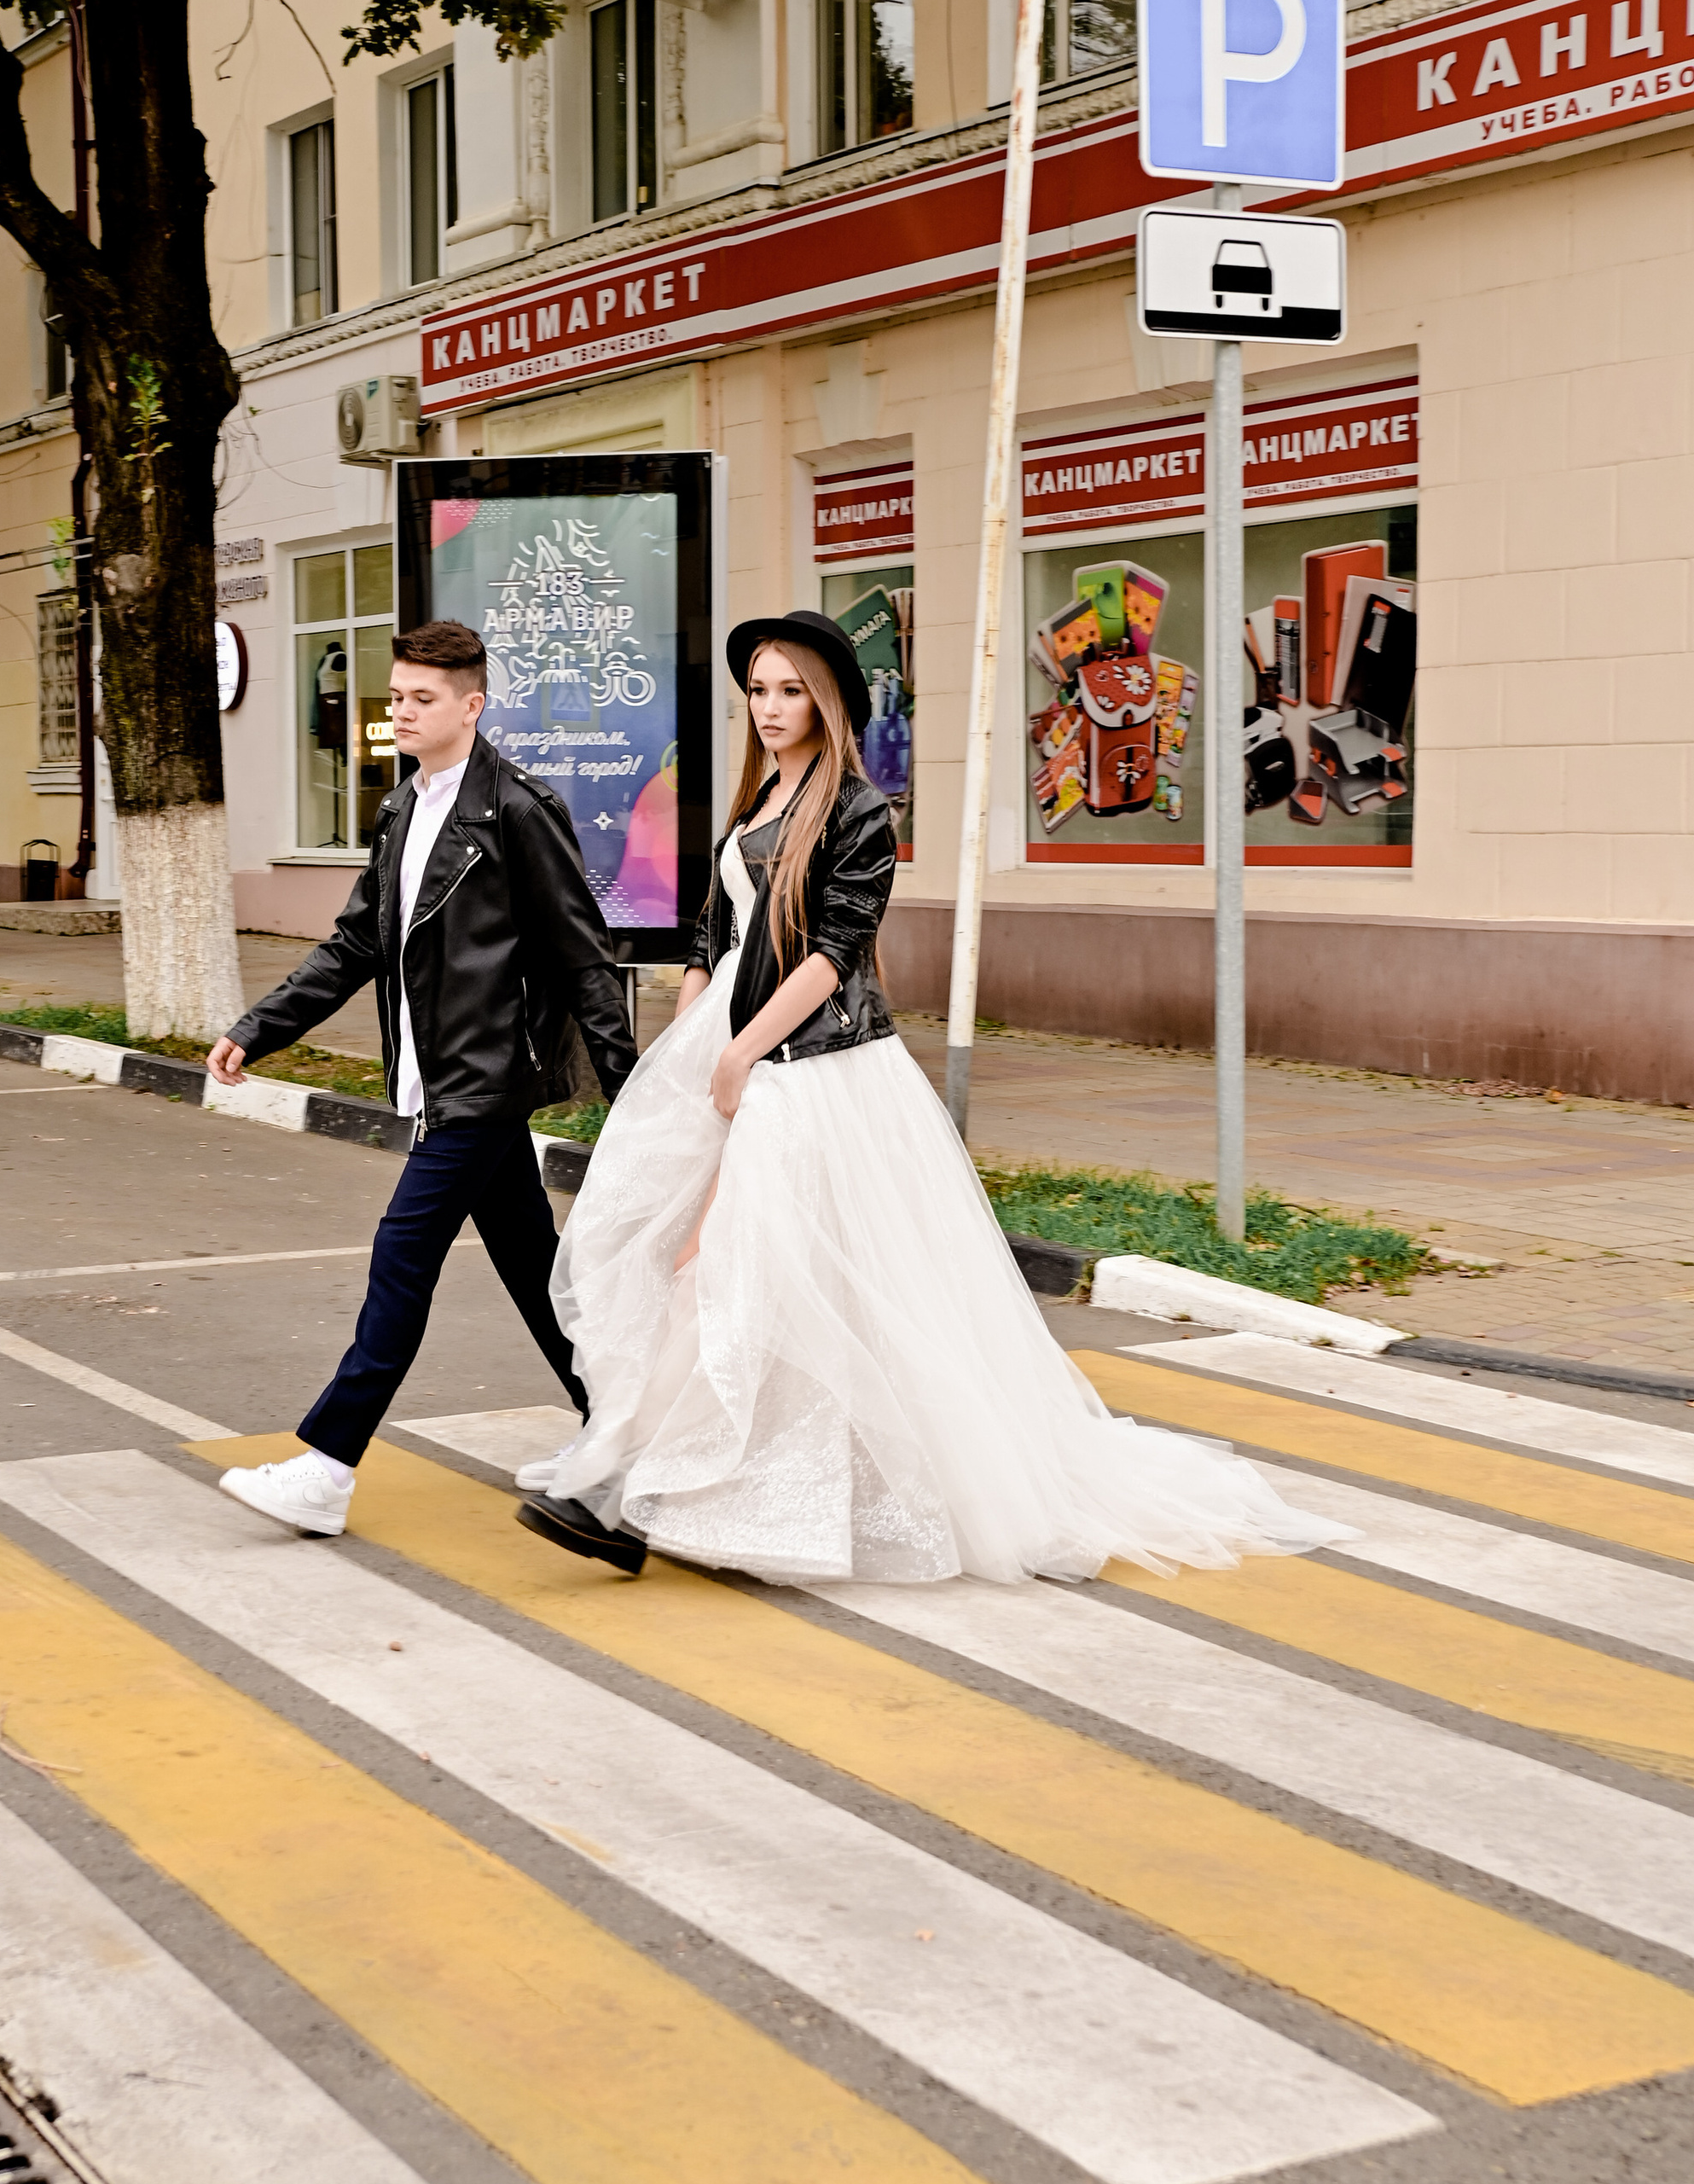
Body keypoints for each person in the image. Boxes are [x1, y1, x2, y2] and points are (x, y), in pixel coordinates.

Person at [516, 610, 1343, 1589]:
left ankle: (612, 1485)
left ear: (826, 703)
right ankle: (662, 1479)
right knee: (724, 1271)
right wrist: (688, 1035)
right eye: (760, 688)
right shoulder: (754, 799)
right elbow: (714, 930)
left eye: (790, 690)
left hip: (812, 1069)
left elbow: (834, 952)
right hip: (731, 1055)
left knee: (720, 1266)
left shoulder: (857, 809)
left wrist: (741, 1050)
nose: (771, 707)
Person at [208, 618, 639, 1536]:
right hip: (446, 1076)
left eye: (423, 698)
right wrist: (262, 1026)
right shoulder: (404, 807)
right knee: (532, 1263)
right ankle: (618, 1430)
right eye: (396, 695)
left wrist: (627, 1088)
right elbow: (360, 940)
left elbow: (582, 955)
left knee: (402, 1257)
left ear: (471, 706)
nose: (401, 710)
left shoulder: (518, 809)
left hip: (485, 1079)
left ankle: (326, 1466)